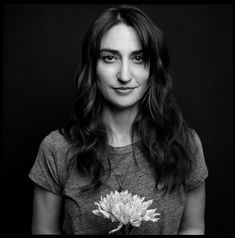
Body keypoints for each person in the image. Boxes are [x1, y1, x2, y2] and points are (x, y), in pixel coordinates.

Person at [29, 4, 208, 235]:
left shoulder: (186, 144)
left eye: (138, 58)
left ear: (153, 67)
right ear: (92, 66)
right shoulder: (56, 149)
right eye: (110, 57)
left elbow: (193, 228)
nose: (124, 76)